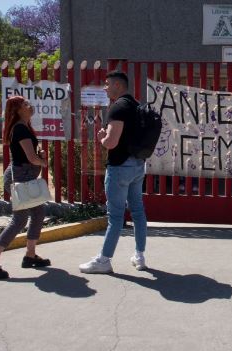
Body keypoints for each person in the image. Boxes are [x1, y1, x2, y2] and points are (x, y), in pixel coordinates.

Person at [79, 71, 148, 274]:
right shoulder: (137, 106)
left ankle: (104, 260)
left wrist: (102, 137)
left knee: (115, 217)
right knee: (138, 212)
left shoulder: (118, 107)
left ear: (118, 85)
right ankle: (140, 255)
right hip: (138, 166)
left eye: (108, 84)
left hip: (120, 168)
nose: (105, 87)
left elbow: (111, 142)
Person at [0, 96, 50, 280]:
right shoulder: (20, 129)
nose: (29, 105)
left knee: (38, 214)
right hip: (21, 176)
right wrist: (43, 161)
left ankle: (30, 255)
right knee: (20, 219)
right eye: (25, 104)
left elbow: (29, 155)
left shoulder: (24, 127)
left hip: (24, 174)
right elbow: (31, 158)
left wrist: (38, 156)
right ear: (17, 110)